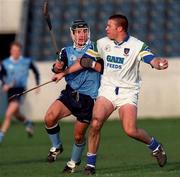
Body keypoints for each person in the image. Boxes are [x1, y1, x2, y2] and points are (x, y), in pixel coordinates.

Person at [82, 14, 168, 175]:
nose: (106, 28)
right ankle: (90, 165)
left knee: (130, 130)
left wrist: (159, 63)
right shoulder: (101, 43)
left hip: (128, 92)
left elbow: (151, 59)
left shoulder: (137, 45)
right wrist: (62, 69)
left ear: (119, 28)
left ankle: (155, 146)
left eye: (109, 26)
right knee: (95, 123)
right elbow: (85, 59)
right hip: (107, 90)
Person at [44, 19, 103, 173]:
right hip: (70, 94)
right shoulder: (66, 51)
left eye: (84, 31)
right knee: (49, 118)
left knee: (78, 136)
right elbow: (59, 67)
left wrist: (81, 65)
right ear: (73, 34)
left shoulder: (96, 47)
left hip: (88, 99)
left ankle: (73, 162)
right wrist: (57, 68)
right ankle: (57, 146)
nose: (81, 35)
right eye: (78, 32)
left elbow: (98, 66)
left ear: (88, 32)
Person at [0, 41, 40, 143]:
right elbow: (1, 75)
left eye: (17, 50)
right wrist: (4, 84)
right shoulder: (5, 63)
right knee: (16, 114)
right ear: (10, 51)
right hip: (10, 90)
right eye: (13, 50)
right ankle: (28, 122)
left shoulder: (26, 61)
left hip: (20, 91)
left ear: (20, 51)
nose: (15, 52)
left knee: (8, 114)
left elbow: (35, 71)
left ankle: (0, 137)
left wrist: (37, 84)